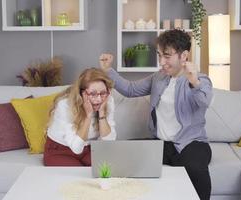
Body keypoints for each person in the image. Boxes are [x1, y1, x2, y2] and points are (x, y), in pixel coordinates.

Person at [100, 29, 213, 200]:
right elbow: (130, 90)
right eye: (159, 55)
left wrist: (194, 81)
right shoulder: (158, 78)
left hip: (191, 144)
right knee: (123, 154)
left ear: (184, 55)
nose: (161, 61)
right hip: (162, 145)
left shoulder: (201, 80)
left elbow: (204, 102)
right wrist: (108, 70)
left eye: (167, 56)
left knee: (196, 169)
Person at [44, 68, 116, 166]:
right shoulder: (65, 105)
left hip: (89, 148)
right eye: (93, 94)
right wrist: (88, 115)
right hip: (61, 150)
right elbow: (77, 148)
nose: (99, 99)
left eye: (103, 93)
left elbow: (109, 141)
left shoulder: (107, 100)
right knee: (78, 173)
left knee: (106, 168)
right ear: (81, 93)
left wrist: (102, 112)